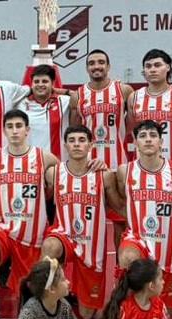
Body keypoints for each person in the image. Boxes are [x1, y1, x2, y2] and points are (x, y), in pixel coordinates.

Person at [0, 110, 60, 319]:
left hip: (33, 232)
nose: (14, 131)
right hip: (4, 226)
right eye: (10, 126)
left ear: (27, 130)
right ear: (4, 130)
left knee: (30, 298)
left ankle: (10, 267)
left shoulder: (44, 157)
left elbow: (60, 179)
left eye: (19, 126)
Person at [42, 126, 122, 319]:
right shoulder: (54, 173)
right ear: (65, 146)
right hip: (64, 236)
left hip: (91, 245)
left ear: (90, 145)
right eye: (72, 140)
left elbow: (119, 207)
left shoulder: (104, 175)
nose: (76, 144)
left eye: (81, 140)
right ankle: (45, 300)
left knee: (87, 314)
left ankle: (73, 294)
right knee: (50, 246)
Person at [116, 120, 172, 309]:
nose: (148, 140)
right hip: (138, 239)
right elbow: (121, 202)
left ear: (161, 142)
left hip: (169, 243)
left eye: (153, 136)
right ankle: (123, 310)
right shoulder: (125, 171)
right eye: (142, 136)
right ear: (135, 142)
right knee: (128, 258)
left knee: (165, 310)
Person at [68, 49, 134, 245]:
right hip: (88, 167)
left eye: (100, 62)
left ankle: (121, 263)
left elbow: (131, 123)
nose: (96, 66)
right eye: (92, 63)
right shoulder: (78, 95)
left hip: (117, 164)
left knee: (120, 221)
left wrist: (118, 134)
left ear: (108, 66)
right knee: (89, 219)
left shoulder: (124, 90)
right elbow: (75, 128)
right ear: (87, 68)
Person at [128, 49, 172, 179]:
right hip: (142, 167)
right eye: (148, 66)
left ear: (168, 67)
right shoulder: (134, 97)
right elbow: (129, 127)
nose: (152, 69)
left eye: (157, 65)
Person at [21, 64, 70, 160]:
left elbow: (79, 96)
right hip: (30, 163)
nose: (40, 85)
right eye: (36, 82)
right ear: (31, 84)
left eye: (45, 81)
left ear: (52, 83)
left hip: (58, 163)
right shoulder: (21, 103)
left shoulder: (64, 101)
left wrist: (64, 91)